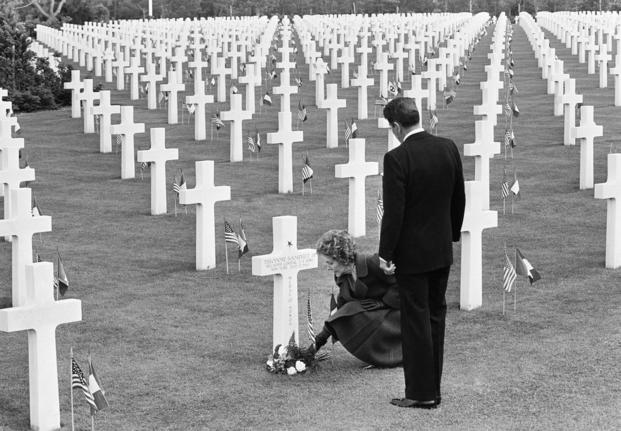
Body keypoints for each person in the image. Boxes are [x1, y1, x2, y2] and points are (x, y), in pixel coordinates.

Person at [380, 97, 465, 409]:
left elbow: (394, 213)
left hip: (412, 256)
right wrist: (451, 234)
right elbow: (459, 198)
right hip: (441, 251)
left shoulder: (397, 158)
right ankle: (434, 389)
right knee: (434, 318)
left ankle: (421, 393)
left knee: (415, 323)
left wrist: (385, 253)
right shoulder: (448, 147)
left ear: (397, 127)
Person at [312, 229, 402, 367]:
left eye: (330, 263)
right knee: (349, 310)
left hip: (397, 316)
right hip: (377, 317)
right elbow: (341, 310)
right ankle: (380, 355)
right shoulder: (343, 276)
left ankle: (397, 353)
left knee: (354, 309)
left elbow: (401, 284)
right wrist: (317, 342)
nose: (328, 268)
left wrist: (382, 303)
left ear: (341, 257)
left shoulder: (373, 262)